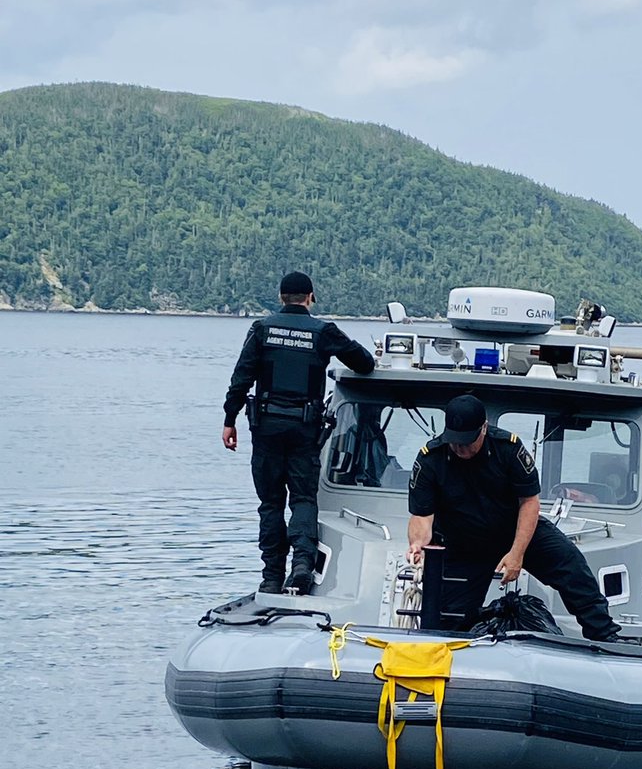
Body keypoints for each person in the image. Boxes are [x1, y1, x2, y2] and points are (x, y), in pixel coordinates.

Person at [406, 394, 621, 641]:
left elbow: (529, 502)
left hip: (513, 528)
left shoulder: (508, 448)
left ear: (484, 428)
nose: (460, 448)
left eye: (467, 442)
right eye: (454, 442)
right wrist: (417, 544)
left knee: (571, 565)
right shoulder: (430, 459)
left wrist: (517, 553)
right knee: (448, 615)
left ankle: (604, 635)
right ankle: (446, 646)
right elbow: (422, 515)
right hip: (462, 542)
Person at [223, 271, 375, 593]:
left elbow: (242, 377)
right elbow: (364, 362)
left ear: (281, 297)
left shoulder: (262, 329)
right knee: (303, 498)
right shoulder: (323, 332)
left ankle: (271, 577)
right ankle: (303, 564)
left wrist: (229, 419)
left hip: (266, 428)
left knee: (271, 503)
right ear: (310, 298)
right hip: (304, 429)